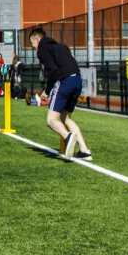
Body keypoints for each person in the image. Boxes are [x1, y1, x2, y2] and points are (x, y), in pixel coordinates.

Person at [28, 27, 91, 161]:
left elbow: (53, 71)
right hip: (77, 80)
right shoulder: (61, 46)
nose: (33, 48)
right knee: (65, 118)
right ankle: (85, 151)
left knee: (51, 120)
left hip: (65, 81)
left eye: (32, 44)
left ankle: (68, 137)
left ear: (37, 39)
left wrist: (47, 90)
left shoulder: (42, 49)